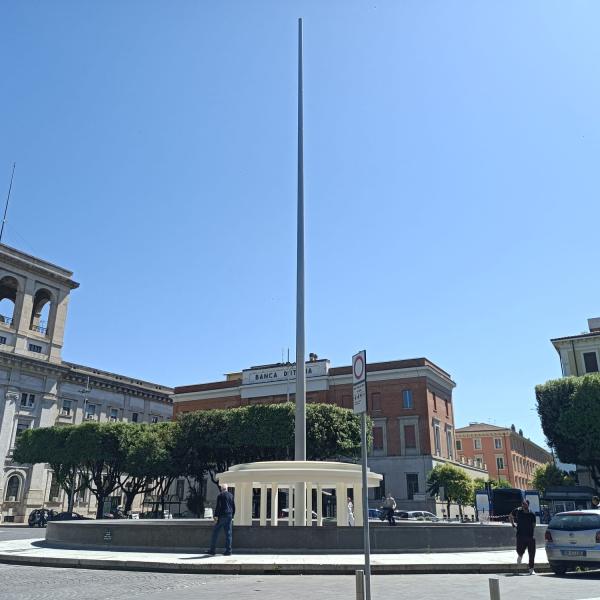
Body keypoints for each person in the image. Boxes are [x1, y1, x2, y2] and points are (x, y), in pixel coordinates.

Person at [509, 499, 537, 575]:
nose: (524, 505)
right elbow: (510, 516)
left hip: (530, 536)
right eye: (523, 504)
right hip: (520, 535)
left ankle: (531, 569)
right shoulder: (518, 511)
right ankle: (520, 555)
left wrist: (529, 530)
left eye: (526, 504)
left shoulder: (532, 514)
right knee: (519, 550)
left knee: (532, 553)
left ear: (528, 505)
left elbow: (534, 525)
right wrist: (513, 525)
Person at [207, 484, 236, 556]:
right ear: (227, 488)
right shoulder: (231, 495)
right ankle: (228, 551)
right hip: (229, 515)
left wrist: (215, 516)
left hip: (222, 516)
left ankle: (212, 550)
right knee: (228, 534)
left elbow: (218, 507)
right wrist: (232, 515)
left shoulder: (220, 496)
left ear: (221, 489)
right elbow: (233, 506)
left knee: (215, 533)